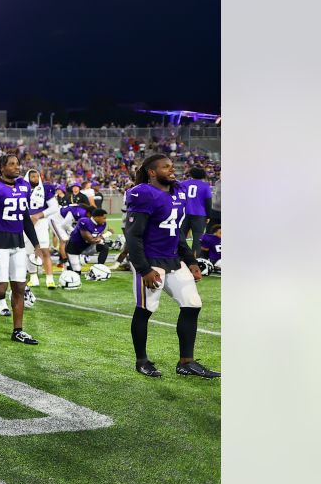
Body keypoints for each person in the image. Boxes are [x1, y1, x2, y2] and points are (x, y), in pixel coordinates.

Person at [123, 155, 218, 379]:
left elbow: (176, 234)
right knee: (145, 310)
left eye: (172, 166)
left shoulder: (178, 192)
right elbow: (133, 235)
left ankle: (186, 362)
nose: (171, 170)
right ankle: (142, 361)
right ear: (152, 172)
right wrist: (144, 269)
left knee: (192, 304)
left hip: (174, 260)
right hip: (150, 262)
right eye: (166, 167)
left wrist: (192, 262)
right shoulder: (143, 193)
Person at [0, 154, 42, 345]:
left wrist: (36, 245)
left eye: (18, 164)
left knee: (19, 287)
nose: (17, 167)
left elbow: (25, 218)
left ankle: (18, 330)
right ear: (1, 168)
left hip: (18, 242)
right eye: (12, 164)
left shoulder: (23, 186)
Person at [24, 169, 58, 289]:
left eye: (37, 176)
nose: (35, 178)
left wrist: (38, 216)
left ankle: (50, 279)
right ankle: (34, 278)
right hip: (25, 222)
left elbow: (54, 207)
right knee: (29, 252)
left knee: (44, 250)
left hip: (41, 222)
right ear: (27, 177)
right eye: (32, 176)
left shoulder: (46, 188)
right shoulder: (22, 188)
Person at [64, 208, 110, 274]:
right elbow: (89, 240)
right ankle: (69, 267)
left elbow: (98, 237)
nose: (105, 220)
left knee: (104, 247)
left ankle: (100, 268)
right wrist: (106, 235)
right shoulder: (84, 222)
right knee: (76, 271)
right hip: (74, 247)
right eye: (104, 218)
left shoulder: (103, 224)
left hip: (88, 247)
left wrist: (100, 238)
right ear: (97, 217)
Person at [179, 166, 214, 252]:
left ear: (191, 174)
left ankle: (180, 257)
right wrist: (208, 216)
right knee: (198, 239)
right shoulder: (205, 186)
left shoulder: (183, 184)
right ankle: (196, 259)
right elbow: (208, 202)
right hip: (199, 215)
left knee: (181, 236)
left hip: (184, 214)